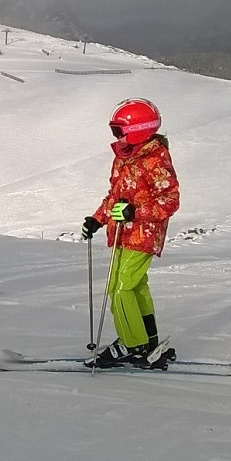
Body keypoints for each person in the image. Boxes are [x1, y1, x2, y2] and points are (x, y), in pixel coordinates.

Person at [81, 98, 180, 368]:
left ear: (137, 130)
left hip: (144, 233)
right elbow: (116, 197)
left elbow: (170, 200)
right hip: (123, 232)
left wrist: (134, 213)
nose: (116, 137)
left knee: (120, 287)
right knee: (134, 286)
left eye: (119, 131)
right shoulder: (124, 158)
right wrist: (97, 219)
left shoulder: (155, 158)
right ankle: (148, 340)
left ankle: (133, 344)